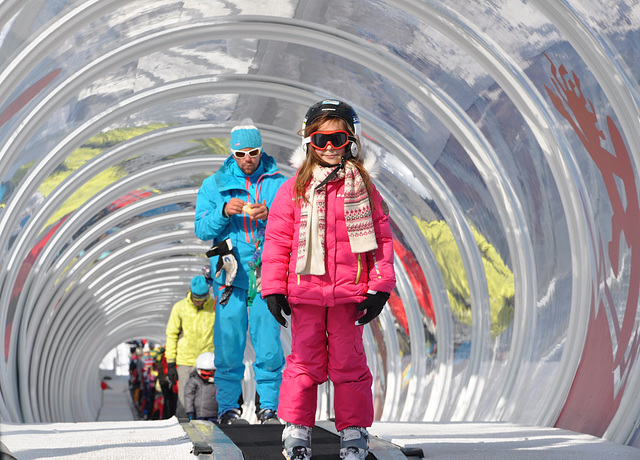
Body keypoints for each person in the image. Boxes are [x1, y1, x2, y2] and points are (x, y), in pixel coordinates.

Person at [261, 99, 396, 460]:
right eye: (320, 140)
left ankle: (352, 429)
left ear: (352, 141)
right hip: (305, 293)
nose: (330, 148)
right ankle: (297, 427)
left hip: (348, 295)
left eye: (338, 139)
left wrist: (380, 286)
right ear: (307, 143)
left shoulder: (364, 190)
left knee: (349, 364)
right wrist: (273, 287)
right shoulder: (292, 190)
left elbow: (382, 241)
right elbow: (277, 242)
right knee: (303, 362)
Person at [194, 121, 287, 425]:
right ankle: (228, 409)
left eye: (253, 152)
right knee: (228, 346)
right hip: (229, 278)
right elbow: (201, 228)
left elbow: (296, 223)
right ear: (232, 153)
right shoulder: (214, 185)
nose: (248, 159)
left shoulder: (279, 184)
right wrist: (223, 213)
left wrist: (270, 215)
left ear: (262, 150)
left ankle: (270, 406)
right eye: (240, 153)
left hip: (266, 276)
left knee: (269, 344)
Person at [165, 275, 215, 417]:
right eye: (196, 298)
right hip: (185, 362)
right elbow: (171, 335)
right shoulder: (180, 308)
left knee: (206, 402)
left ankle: (206, 429)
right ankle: (183, 428)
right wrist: (170, 362)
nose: (199, 302)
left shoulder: (214, 307)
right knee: (184, 401)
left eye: (202, 298)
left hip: (207, 362)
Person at [184, 352, 219, 422]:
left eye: (212, 374)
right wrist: (190, 412)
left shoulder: (218, 382)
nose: (208, 377)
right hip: (199, 415)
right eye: (205, 374)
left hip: (215, 415)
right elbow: (188, 396)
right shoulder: (194, 381)